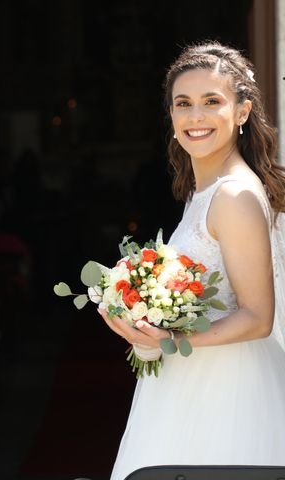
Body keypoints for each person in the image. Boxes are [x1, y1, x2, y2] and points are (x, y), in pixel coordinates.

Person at [98, 42, 285, 479]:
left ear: (242, 111)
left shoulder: (234, 195)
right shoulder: (208, 192)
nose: (195, 117)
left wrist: (168, 338)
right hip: (192, 382)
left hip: (229, 395)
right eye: (183, 104)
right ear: (171, 115)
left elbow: (258, 316)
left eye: (212, 102)